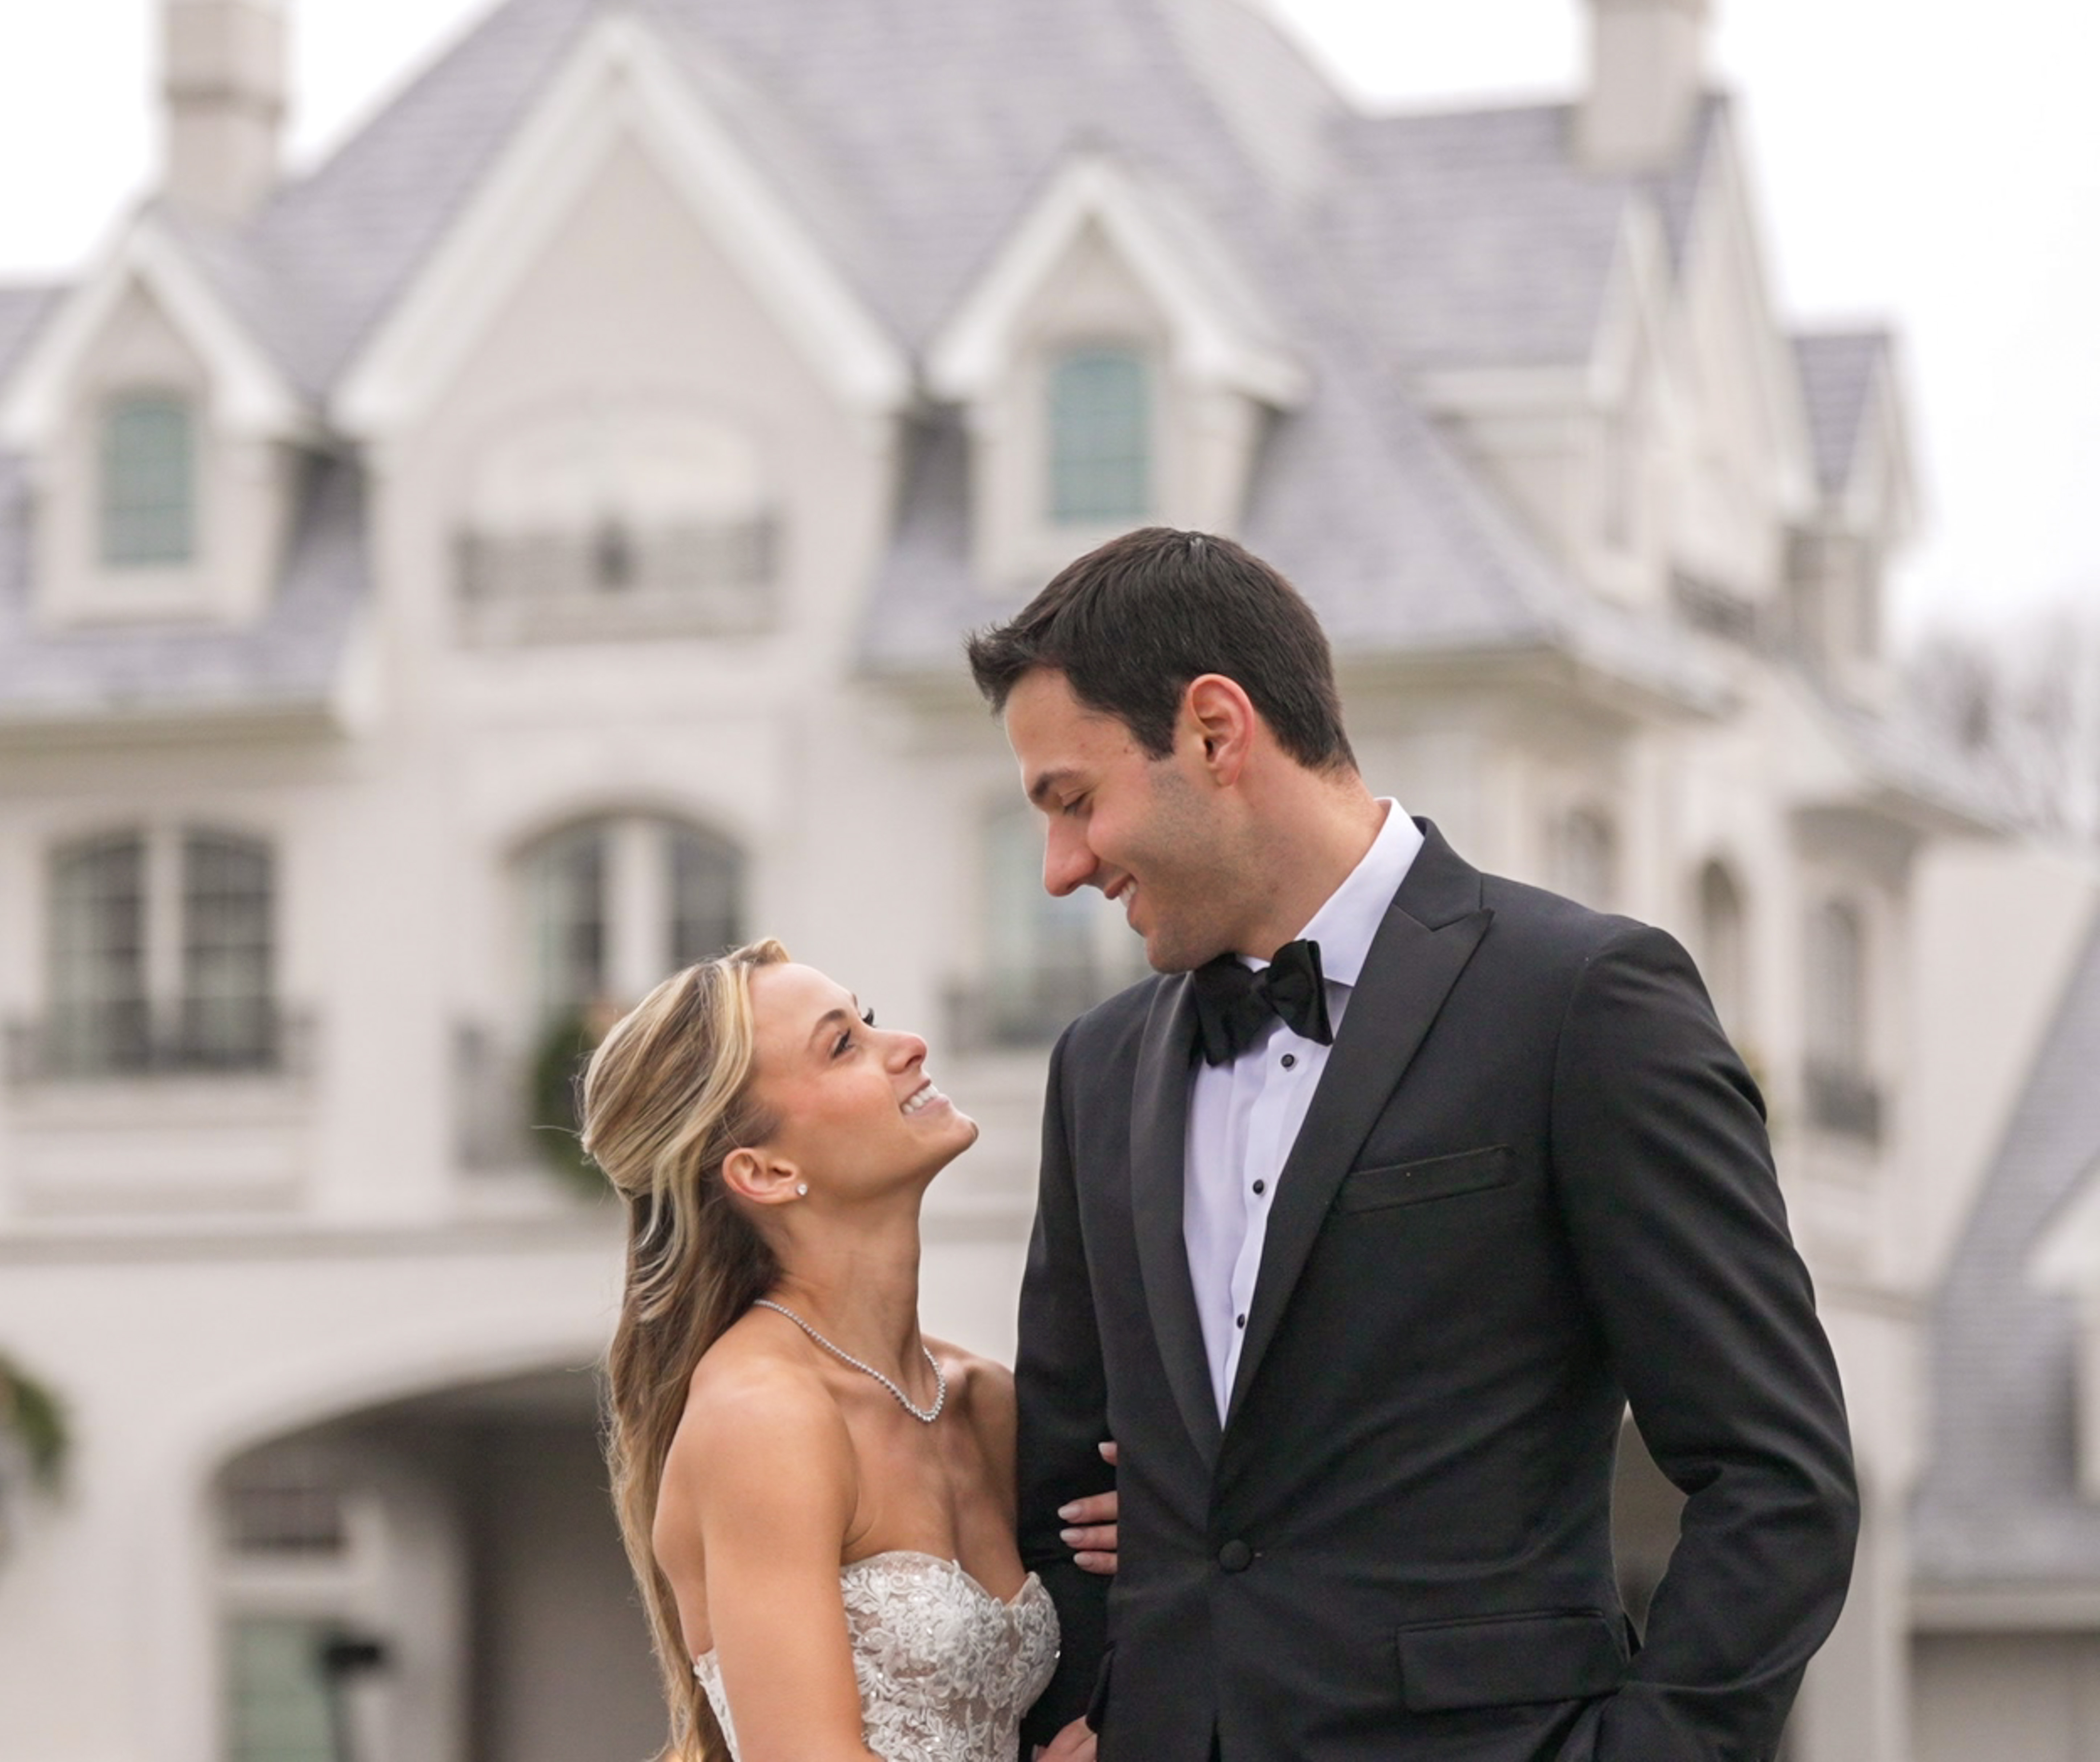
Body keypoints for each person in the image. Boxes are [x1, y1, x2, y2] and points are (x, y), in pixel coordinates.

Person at [971, 528, 1857, 1760]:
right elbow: (1063, 1491)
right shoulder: (1099, 1067)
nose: (1063, 868)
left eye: (1075, 802)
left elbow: (1778, 1474)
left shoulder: (1584, 1001)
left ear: (1218, 733)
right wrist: (1085, 1716)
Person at [587, 938, 1118, 1762]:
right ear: (762, 1171)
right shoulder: (761, 1416)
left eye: (865, 1021)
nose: (907, 1046)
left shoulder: (978, 1396)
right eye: (844, 1045)